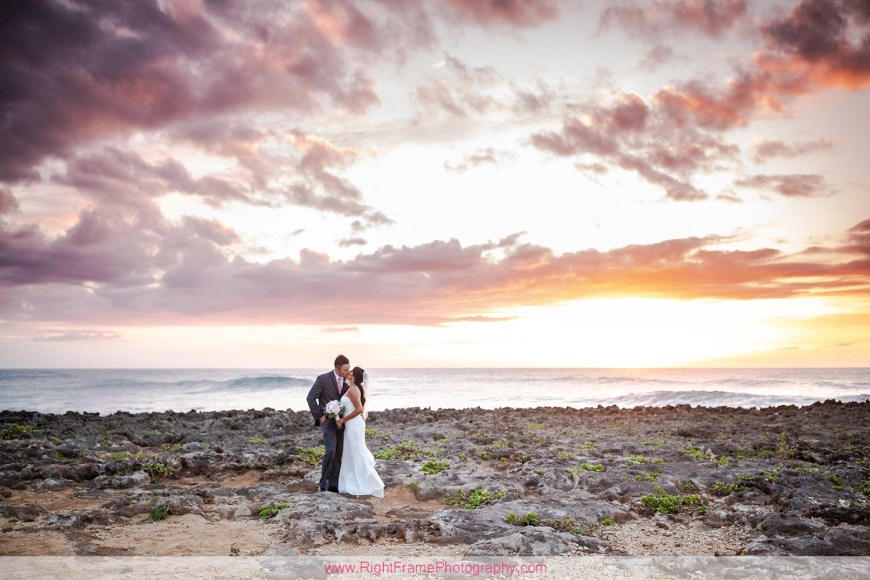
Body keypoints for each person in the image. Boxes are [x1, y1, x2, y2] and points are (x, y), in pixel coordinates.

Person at [336, 366, 384, 498]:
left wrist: (343, 420)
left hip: (353, 425)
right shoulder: (353, 388)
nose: (348, 372)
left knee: (356, 452)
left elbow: (359, 409)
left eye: (351, 371)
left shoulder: (352, 389)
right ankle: (352, 481)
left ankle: (364, 482)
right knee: (351, 452)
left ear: (354, 376)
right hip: (353, 424)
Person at [306, 354, 350, 493]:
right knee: (330, 450)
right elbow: (310, 398)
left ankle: (334, 484)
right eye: (345, 370)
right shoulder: (323, 379)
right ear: (337, 369)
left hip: (342, 422)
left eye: (348, 369)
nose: (347, 372)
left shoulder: (347, 381)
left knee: (338, 452)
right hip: (328, 422)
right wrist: (320, 416)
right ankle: (323, 484)